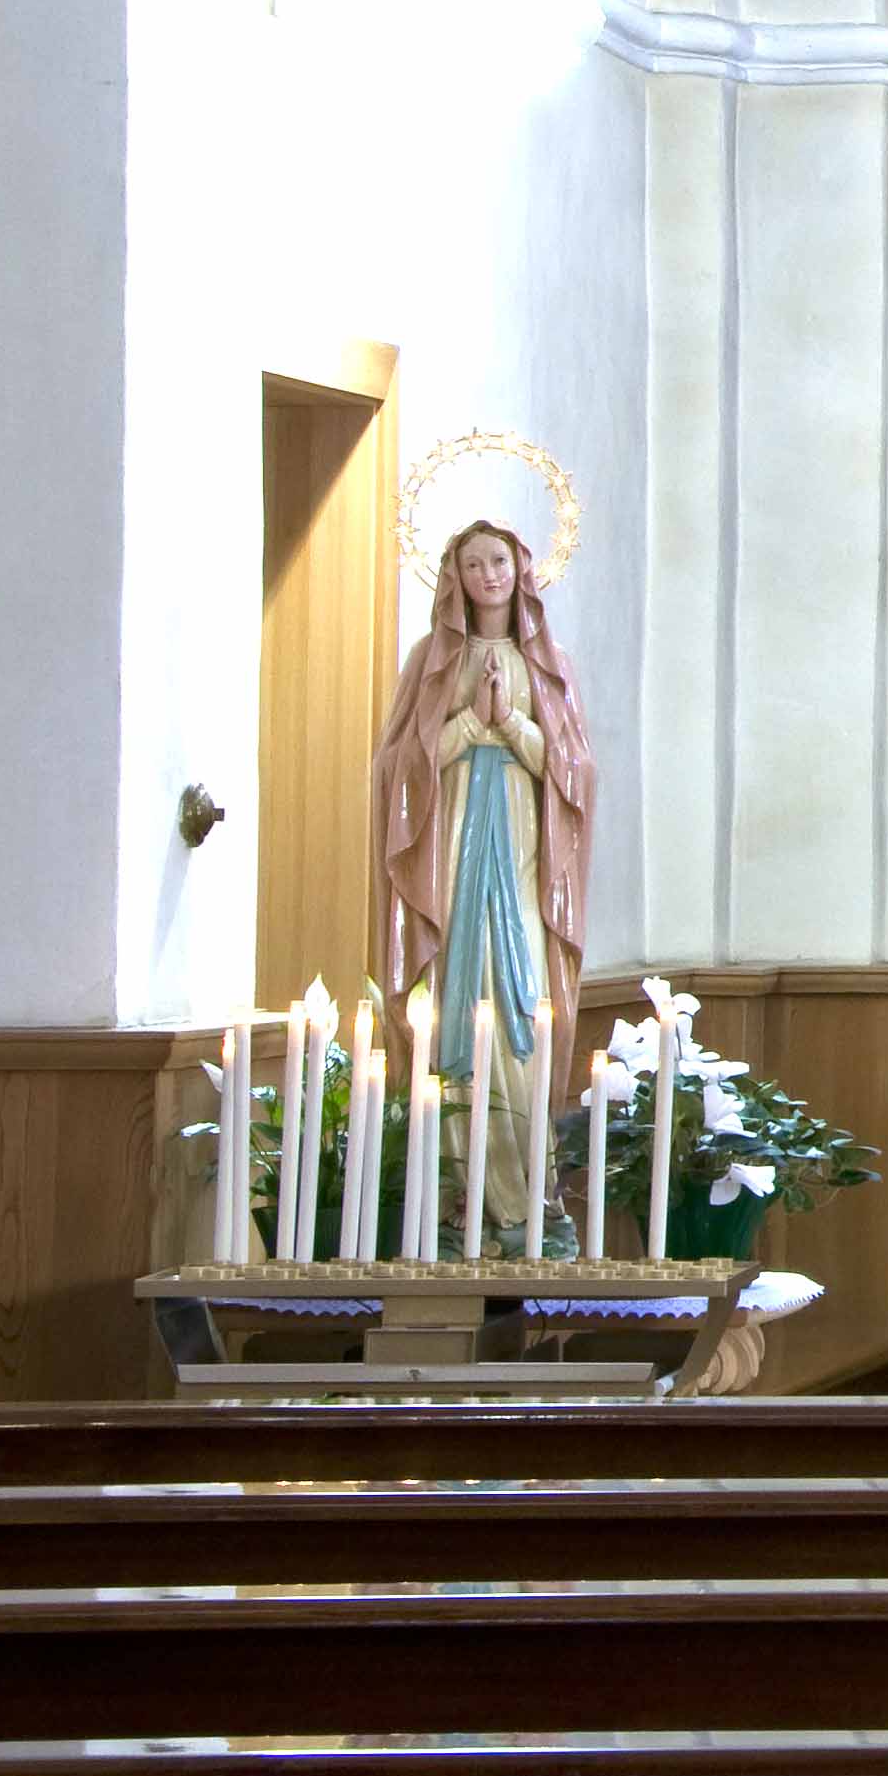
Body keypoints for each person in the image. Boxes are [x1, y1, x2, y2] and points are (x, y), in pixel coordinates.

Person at [371, 519, 594, 1244]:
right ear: (455, 576)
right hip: (454, 853)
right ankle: (456, 1188)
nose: (489, 574)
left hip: (524, 854)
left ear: (520, 569)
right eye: (473, 564)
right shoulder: (430, 660)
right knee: (457, 996)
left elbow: (576, 772)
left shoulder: (548, 664)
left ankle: (525, 1186)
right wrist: (471, 724)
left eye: (499, 560)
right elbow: (397, 768)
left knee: (524, 993)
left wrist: (517, 728)